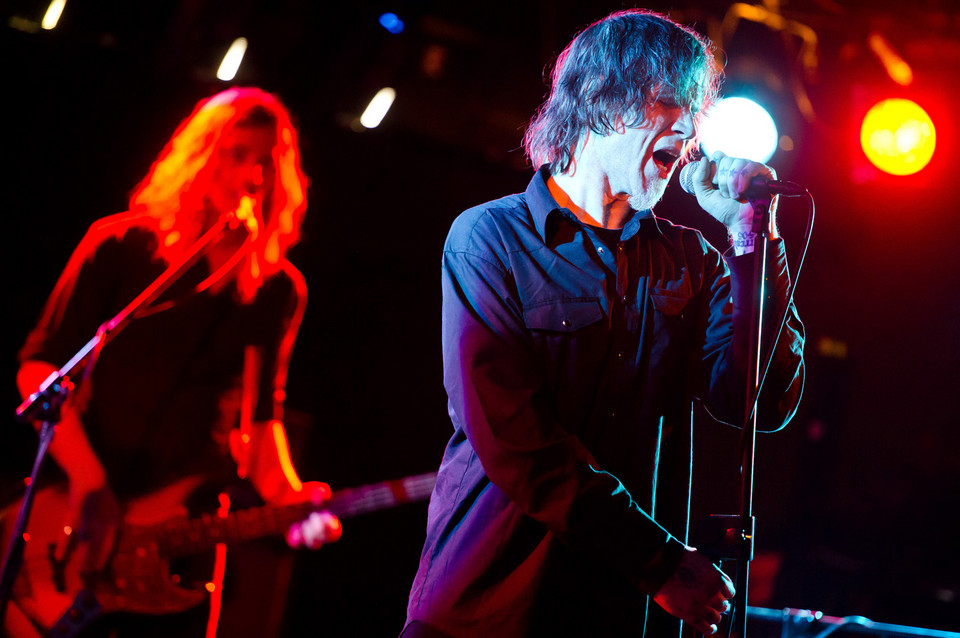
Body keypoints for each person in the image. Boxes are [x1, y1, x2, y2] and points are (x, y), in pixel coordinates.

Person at [403, 9, 804, 638]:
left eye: (697, 113)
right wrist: (660, 561)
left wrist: (751, 239)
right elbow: (518, 441)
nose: (691, 132)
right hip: (491, 605)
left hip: (617, 614)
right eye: (675, 101)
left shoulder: (693, 261)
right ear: (601, 101)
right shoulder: (490, 238)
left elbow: (757, 401)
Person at [8, 87, 338, 637]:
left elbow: (260, 422)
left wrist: (290, 499)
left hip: (184, 522)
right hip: (74, 509)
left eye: (267, 163)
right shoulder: (117, 243)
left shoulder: (277, 289)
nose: (254, 177)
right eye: (237, 155)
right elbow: (40, 369)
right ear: (202, 158)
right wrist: (89, 483)